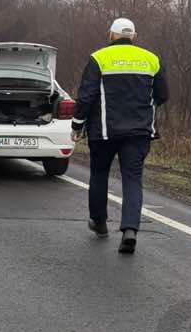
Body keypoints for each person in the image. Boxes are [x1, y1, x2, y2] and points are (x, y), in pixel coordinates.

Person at [71, 17, 168, 254]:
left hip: (104, 131)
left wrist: (77, 125)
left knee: (99, 174)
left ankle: (99, 222)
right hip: (138, 132)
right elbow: (163, 95)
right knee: (132, 179)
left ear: (111, 35)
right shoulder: (151, 59)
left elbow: (86, 96)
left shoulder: (99, 58)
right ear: (134, 36)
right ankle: (130, 230)